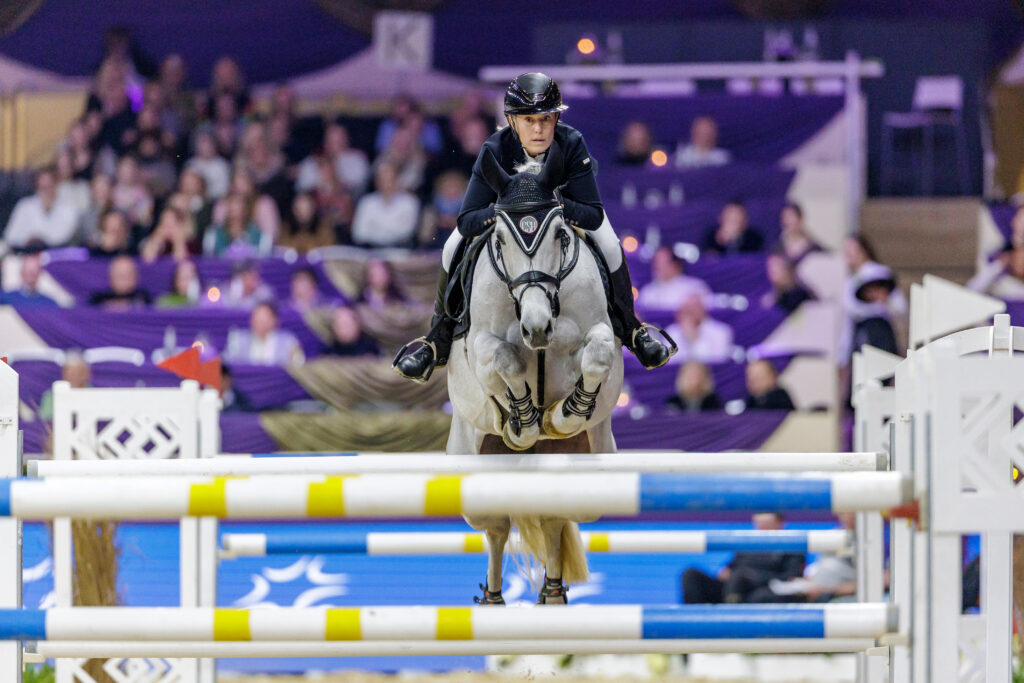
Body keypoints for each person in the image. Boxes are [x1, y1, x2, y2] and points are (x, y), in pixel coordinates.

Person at [394, 73, 672, 382]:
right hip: (509, 225)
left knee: (609, 242)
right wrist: (502, 214)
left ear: (556, 118)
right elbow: (468, 218)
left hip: (561, 221)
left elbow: (592, 214)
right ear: (512, 121)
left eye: (546, 119)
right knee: (450, 247)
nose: (538, 129)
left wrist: (556, 209)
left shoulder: (571, 143)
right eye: (528, 120)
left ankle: (633, 331)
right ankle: (436, 339)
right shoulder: (494, 149)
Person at [682, 513, 804, 603]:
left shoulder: (792, 547)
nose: (763, 530)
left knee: (742, 579)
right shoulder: (748, 544)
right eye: (760, 526)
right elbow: (729, 569)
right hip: (730, 586)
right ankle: (692, 622)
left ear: (780, 523)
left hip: (759, 589)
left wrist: (753, 576)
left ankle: (733, 619)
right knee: (691, 575)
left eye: (767, 525)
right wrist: (726, 572)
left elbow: (791, 578)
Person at [843, 235, 906, 359]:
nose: (848, 254)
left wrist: (884, 300)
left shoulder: (880, 273)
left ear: (863, 250)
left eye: (852, 249)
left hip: (880, 332)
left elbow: (900, 306)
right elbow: (849, 316)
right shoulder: (850, 281)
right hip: (859, 334)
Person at [3, 166, 81, 250]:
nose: (46, 192)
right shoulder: (24, 206)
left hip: (56, 255)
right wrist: (29, 240)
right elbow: (10, 237)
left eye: (49, 186)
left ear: (56, 185)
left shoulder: (69, 209)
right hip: (25, 254)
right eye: (43, 187)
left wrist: (41, 240)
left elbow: (65, 238)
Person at [350, 162, 420, 247]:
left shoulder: (410, 202)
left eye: (390, 179)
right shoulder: (366, 202)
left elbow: (406, 232)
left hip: (400, 252)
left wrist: (376, 227)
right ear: (376, 182)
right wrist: (392, 228)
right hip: (371, 252)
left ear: (397, 180)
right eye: (383, 180)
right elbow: (358, 233)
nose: (386, 184)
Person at [224, 302, 303, 366]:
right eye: (257, 317)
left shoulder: (288, 340)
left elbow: (299, 363)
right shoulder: (238, 339)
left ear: (275, 320)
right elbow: (227, 363)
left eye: (264, 318)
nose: (260, 321)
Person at [636, 246, 711, 312]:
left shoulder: (695, 287)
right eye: (656, 262)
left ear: (675, 265)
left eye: (662, 262)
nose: (657, 267)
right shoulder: (647, 292)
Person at [665, 295, 734, 364]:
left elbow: (716, 361)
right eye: (686, 309)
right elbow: (671, 362)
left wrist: (694, 340)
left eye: (693, 308)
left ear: (703, 310)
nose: (689, 313)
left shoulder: (721, 331)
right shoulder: (671, 331)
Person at [38, 352, 91, 421]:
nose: (73, 377)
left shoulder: (95, 395)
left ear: (86, 374)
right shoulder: (51, 396)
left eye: (78, 373)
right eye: (70, 373)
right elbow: (45, 420)